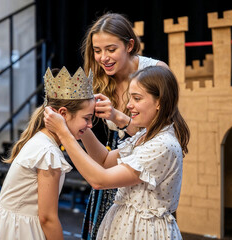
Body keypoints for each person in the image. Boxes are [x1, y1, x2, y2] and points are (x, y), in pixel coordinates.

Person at [44, 65, 190, 239]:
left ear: (159, 102)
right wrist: (81, 124)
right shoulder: (145, 135)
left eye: (137, 98)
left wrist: (64, 134)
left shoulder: (163, 145)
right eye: (130, 98)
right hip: (125, 225)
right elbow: (105, 160)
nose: (129, 105)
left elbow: (100, 180)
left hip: (143, 231)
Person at [80, 12, 169, 239]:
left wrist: (119, 117)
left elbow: (161, 131)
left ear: (129, 45)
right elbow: (106, 160)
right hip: (115, 155)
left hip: (144, 164)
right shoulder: (100, 77)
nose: (103, 58)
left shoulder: (156, 72)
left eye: (111, 49)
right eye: (97, 51)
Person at [0, 67, 95, 240]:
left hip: (11, 225)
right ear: (63, 114)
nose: (90, 125)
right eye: (86, 118)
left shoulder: (41, 139)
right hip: (22, 231)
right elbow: (47, 218)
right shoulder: (48, 153)